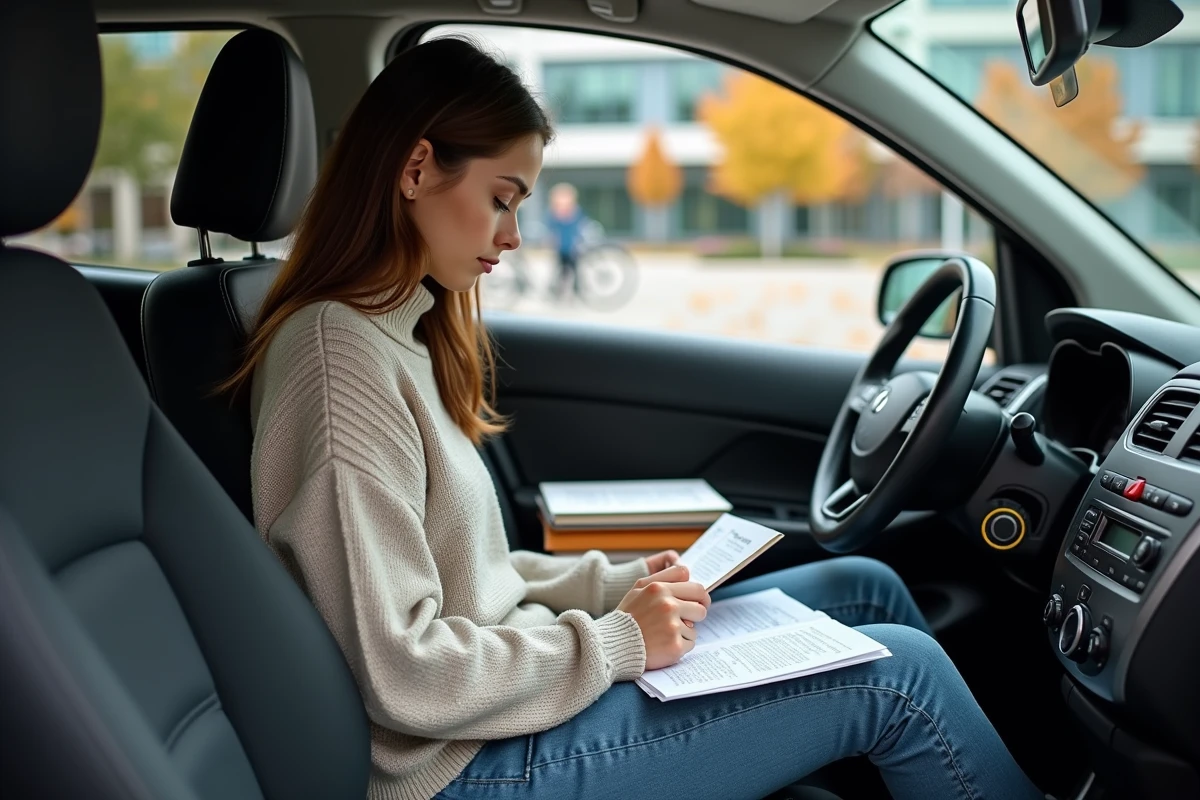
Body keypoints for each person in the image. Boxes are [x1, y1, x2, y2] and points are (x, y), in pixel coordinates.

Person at [231, 37, 1045, 800]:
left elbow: (474, 581)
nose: (514, 236)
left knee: (864, 588)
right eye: (501, 199)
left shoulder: (398, 332)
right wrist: (620, 640)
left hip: (499, 703)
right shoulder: (338, 360)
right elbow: (400, 669)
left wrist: (618, 585)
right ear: (416, 169)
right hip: (457, 765)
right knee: (897, 675)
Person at [543, 181, 588, 300]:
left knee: (575, 270)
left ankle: (577, 292)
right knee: (560, 271)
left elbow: (581, 228)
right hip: (561, 248)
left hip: (573, 248)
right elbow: (551, 230)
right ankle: (557, 292)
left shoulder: (576, 212)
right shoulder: (553, 214)